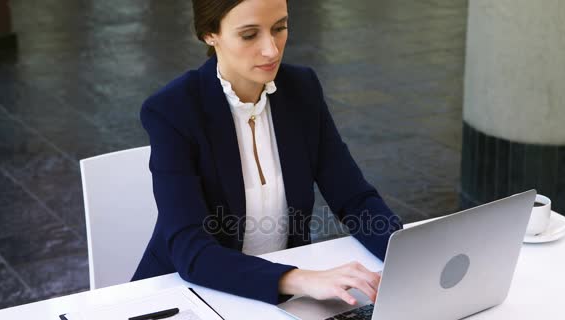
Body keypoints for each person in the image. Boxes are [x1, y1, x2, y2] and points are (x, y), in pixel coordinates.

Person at [132, 0, 403, 306]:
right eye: (250, 35)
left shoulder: (302, 89)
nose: (272, 50)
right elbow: (191, 249)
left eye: (279, 28)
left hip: (279, 301)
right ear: (210, 33)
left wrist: (406, 256)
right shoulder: (173, 110)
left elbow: (354, 199)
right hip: (189, 295)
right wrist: (298, 278)